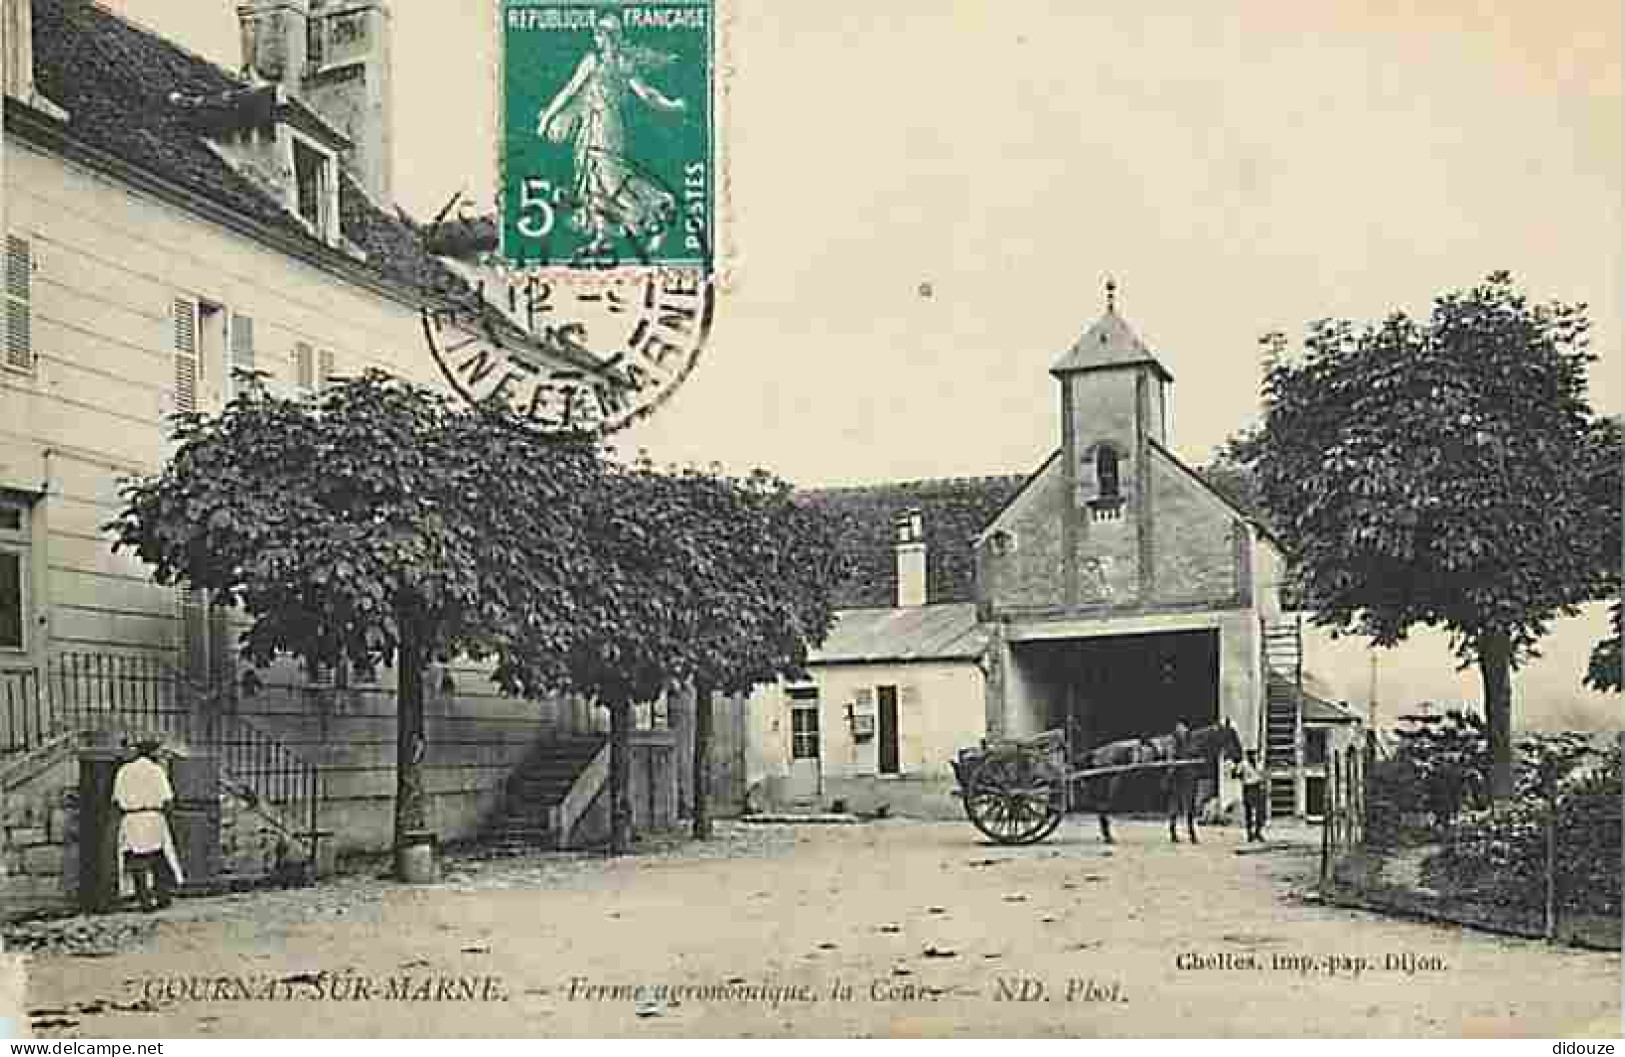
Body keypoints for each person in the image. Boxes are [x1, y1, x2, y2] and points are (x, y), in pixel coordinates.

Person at [113, 736, 184, 911]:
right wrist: (170, 818)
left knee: (138, 860)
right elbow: (167, 799)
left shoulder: (124, 771)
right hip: (153, 818)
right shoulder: (156, 771)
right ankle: (162, 897)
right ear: (152, 753)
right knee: (159, 858)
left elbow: (116, 800)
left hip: (132, 818)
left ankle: (144, 899)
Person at [1234, 749, 1267, 841]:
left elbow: (1263, 775)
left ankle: (1258, 832)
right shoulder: (1243, 764)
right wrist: (1241, 776)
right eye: (1250, 755)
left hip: (1257, 787)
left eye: (1254, 754)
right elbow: (1235, 774)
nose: (1252, 756)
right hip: (1248, 787)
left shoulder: (1259, 764)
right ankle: (1249, 833)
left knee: (1260, 811)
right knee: (1248, 811)